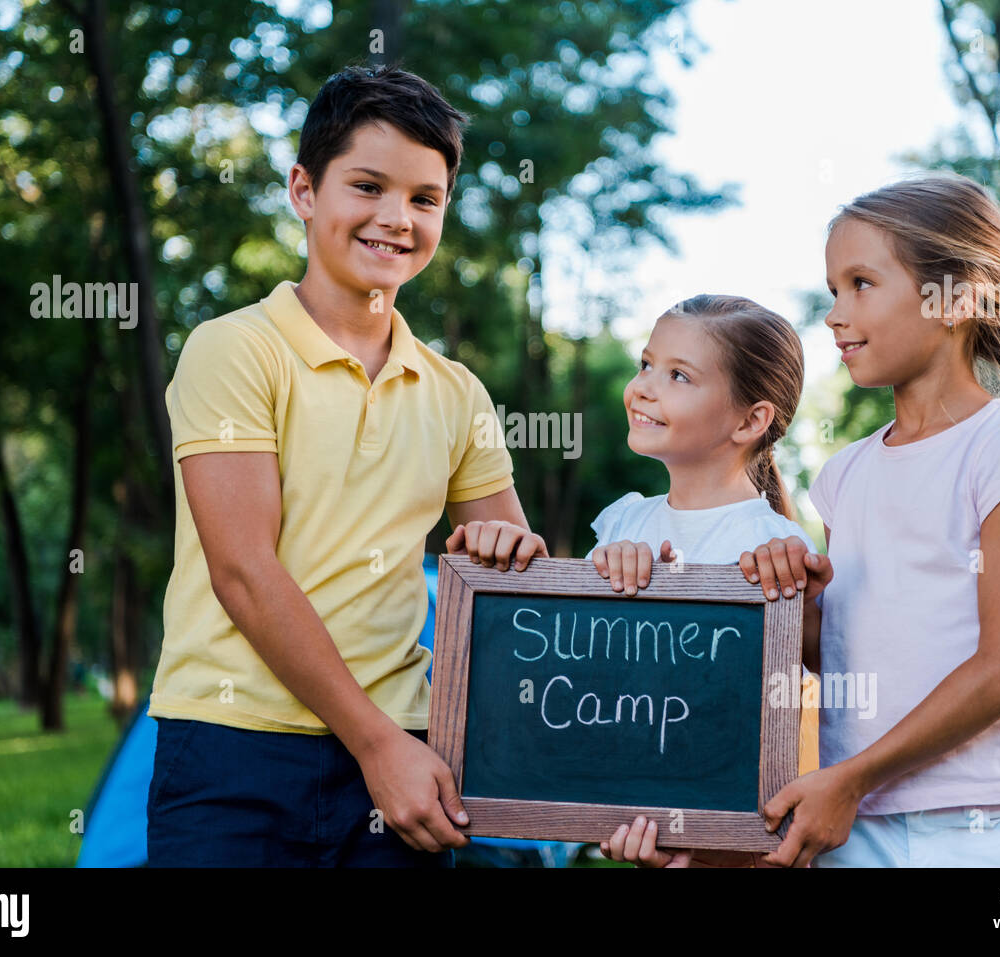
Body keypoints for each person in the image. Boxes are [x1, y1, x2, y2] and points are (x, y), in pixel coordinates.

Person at [146, 64, 546, 867]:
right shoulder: (234, 349)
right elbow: (245, 571)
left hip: (404, 754)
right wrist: (375, 745)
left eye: (425, 199)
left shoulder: (456, 391)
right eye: (368, 186)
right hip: (234, 746)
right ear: (303, 190)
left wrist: (522, 556)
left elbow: (512, 577)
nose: (396, 219)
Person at [744, 172, 1000, 868]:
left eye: (862, 284)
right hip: (856, 823)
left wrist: (855, 776)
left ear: (956, 298)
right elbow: (842, 653)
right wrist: (794, 602)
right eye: (833, 289)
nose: (836, 314)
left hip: (982, 828)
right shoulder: (845, 475)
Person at [581, 294, 828, 868]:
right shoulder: (622, 522)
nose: (643, 386)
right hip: (635, 808)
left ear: (750, 421)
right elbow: (583, 676)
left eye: (677, 376)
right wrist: (601, 585)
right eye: (646, 364)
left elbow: (778, 718)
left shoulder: (775, 551)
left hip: (728, 846)